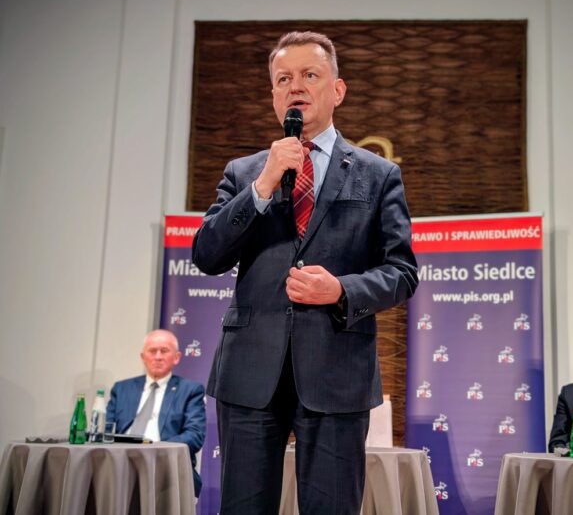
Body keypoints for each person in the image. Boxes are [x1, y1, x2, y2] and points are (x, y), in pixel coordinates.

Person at [192, 31, 418, 514]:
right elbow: (207, 255)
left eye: (309, 75)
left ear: (337, 90)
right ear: (274, 95)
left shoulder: (378, 175)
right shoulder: (245, 172)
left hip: (337, 372)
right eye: (283, 79)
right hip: (249, 372)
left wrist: (340, 289)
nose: (295, 86)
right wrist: (262, 186)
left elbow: (402, 272)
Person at [106, 329, 206, 496]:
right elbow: (107, 430)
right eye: (152, 351)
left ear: (177, 357)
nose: (158, 356)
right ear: (143, 357)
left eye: (164, 351)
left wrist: (155, 450)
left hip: (166, 467)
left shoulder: (190, 390)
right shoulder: (121, 389)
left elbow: (194, 435)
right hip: (121, 463)